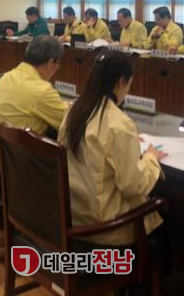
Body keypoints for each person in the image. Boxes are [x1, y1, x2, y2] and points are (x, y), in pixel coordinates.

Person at [58, 51, 166, 245]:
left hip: (73, 218)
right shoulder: (119, 124)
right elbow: (133, 186)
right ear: (122, 82)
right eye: (129, 85)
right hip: (106, 228)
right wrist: (151, 158)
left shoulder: (74, 111)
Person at [0, 36, 68, 165]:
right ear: (51, 62)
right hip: (15, 166)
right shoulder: (42, 90)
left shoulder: (7, 76)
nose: (56, 70)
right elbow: (70, 122)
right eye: (57, 65)